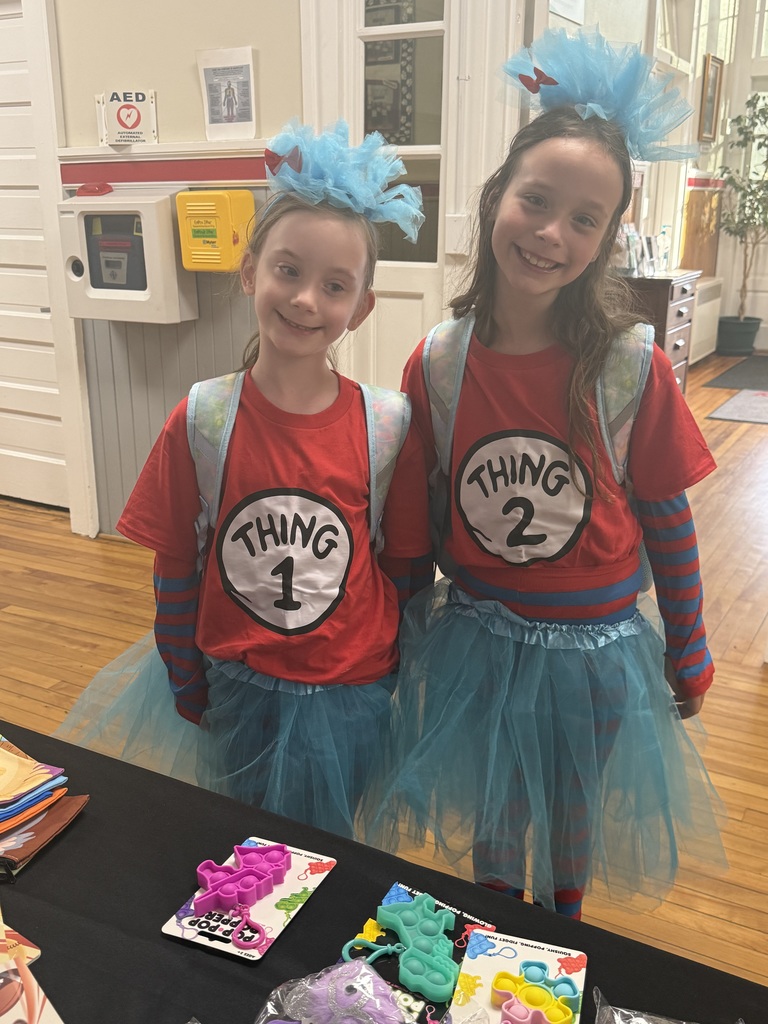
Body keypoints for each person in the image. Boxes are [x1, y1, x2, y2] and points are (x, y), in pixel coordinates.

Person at [362, 29, 725, 917]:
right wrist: (399, 635)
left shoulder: (630, 366)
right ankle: (494, 940)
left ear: (606, 238)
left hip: (595, 656)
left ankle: (554, 944)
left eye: (584, 219)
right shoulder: (439, 361)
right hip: (476, 640)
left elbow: (667, 518)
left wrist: (691, 641)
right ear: (497, 198)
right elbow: (414, 522)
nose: (551, 232)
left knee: (568, 812)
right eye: (536, 200)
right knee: (496, 803)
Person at [56, 120, 432, 839]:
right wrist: (181, 671)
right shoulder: (202, 418)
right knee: (241, 848)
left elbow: (406, 569)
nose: (305, 300)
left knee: (329, 853)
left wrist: (397, 676)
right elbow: (175, 563)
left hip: (349, 692)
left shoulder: (388, 426)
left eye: (335, 286)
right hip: (237, 683)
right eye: (288, 271)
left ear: (362, 307)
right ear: (249, 270)